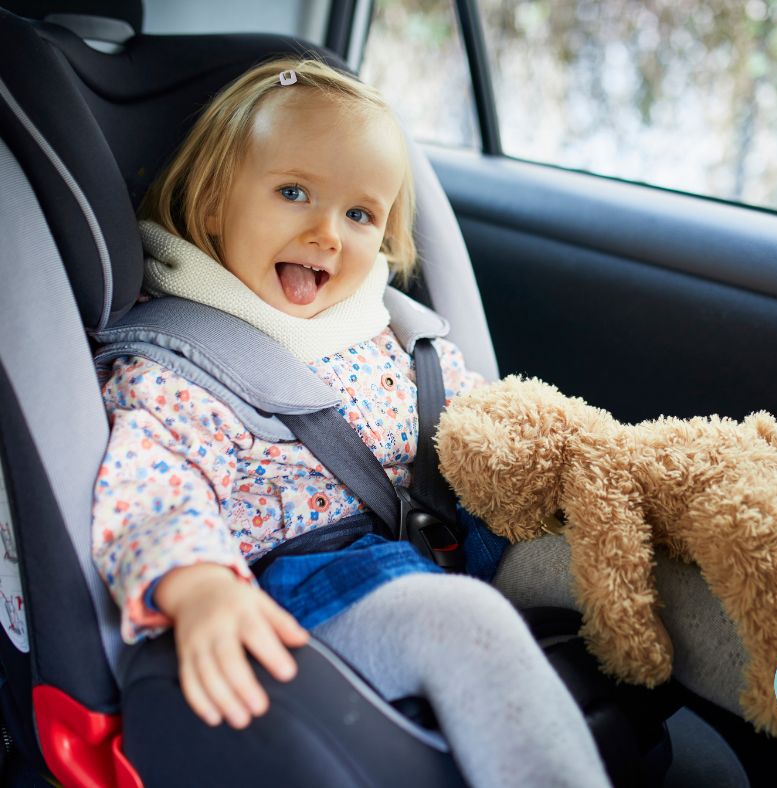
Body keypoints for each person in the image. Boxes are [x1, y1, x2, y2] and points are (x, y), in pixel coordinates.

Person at [91, 57, 611, 788]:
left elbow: (476, 424)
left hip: (449, 540)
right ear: (212, 205)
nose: (328, 234)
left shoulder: (385, 327)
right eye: (294, 192)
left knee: (608, 554)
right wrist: (200, 584)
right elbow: (156, 488)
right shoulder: (178, 364)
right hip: (315, 582)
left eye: (359, 214)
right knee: (467, 624)